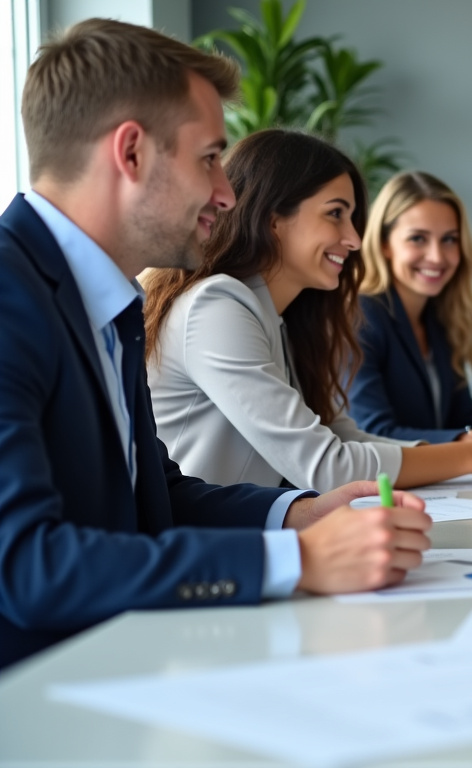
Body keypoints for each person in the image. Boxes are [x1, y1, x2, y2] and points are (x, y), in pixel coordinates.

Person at [0, 19, 432, 669]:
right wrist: (297, 560)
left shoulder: (106, 302)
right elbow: (27, 566)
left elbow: (157, 498)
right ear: (132, 153)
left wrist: (299, 515)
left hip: (119, 666)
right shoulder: (10, 298)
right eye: (209, 159)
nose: (227, 195)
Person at [144, 130, 472, 491]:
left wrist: (464, 451)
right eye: (336, 214)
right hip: (200, 552)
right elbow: (327, 466)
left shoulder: (282, 318)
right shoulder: (218, 307)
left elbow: (341, 436)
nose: (353, 239)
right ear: (273, 219)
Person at [350, 171, 472, 443]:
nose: (437, 256)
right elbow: (373, 434)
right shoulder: (361, 317)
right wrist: (467, 445)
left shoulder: (443, 317)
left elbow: (464, 420)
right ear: (384, 244)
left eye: (449, 239)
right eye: (418, 238)